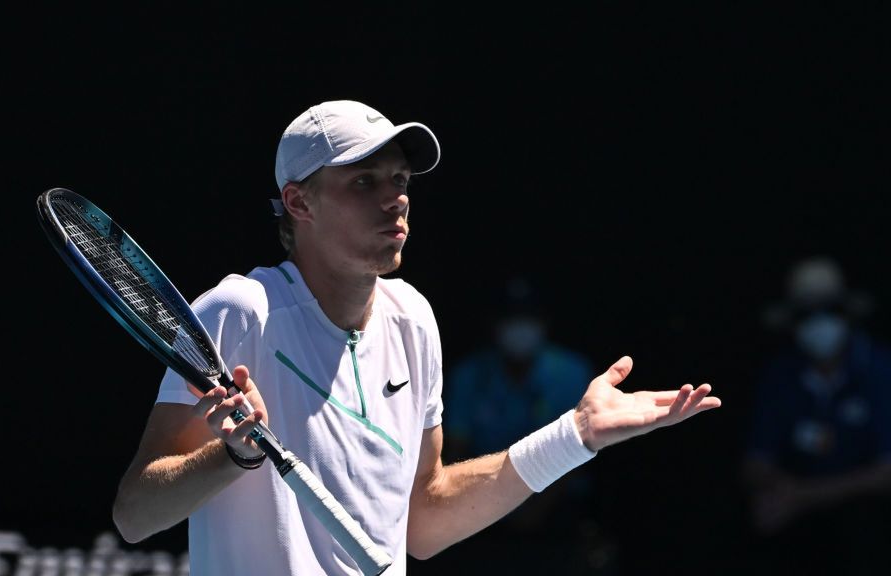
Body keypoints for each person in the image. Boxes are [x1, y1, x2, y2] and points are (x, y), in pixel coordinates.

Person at [110, 99, 722, 576]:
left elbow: (422, 522)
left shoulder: (412, 319)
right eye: (363, 182)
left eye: (400, 179)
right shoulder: (241, 311)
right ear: (299, 202)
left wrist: (576, 436)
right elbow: (136, 516)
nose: (395, 198)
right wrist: (233, 455)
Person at [439, 276, 618, 574]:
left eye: (528, 318)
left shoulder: (573, 373)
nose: (520, 328)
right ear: (494, 325)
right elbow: (454, 451)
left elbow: (584, 448)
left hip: (556, 509)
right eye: (511, 318)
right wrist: (488, 507)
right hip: (484, 506)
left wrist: (535, 510)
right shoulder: (468, 376)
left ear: (544, 323)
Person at [743, 256, 891, 574]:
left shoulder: (880, 370)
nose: (820, 323)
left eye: (830, 310)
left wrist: (805, 496)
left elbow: (886, 471)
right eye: (807, 314)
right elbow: (756, 460)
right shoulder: (779, 375)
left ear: (847, 313)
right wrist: (779, 489)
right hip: (798, 516)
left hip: (864, 515)